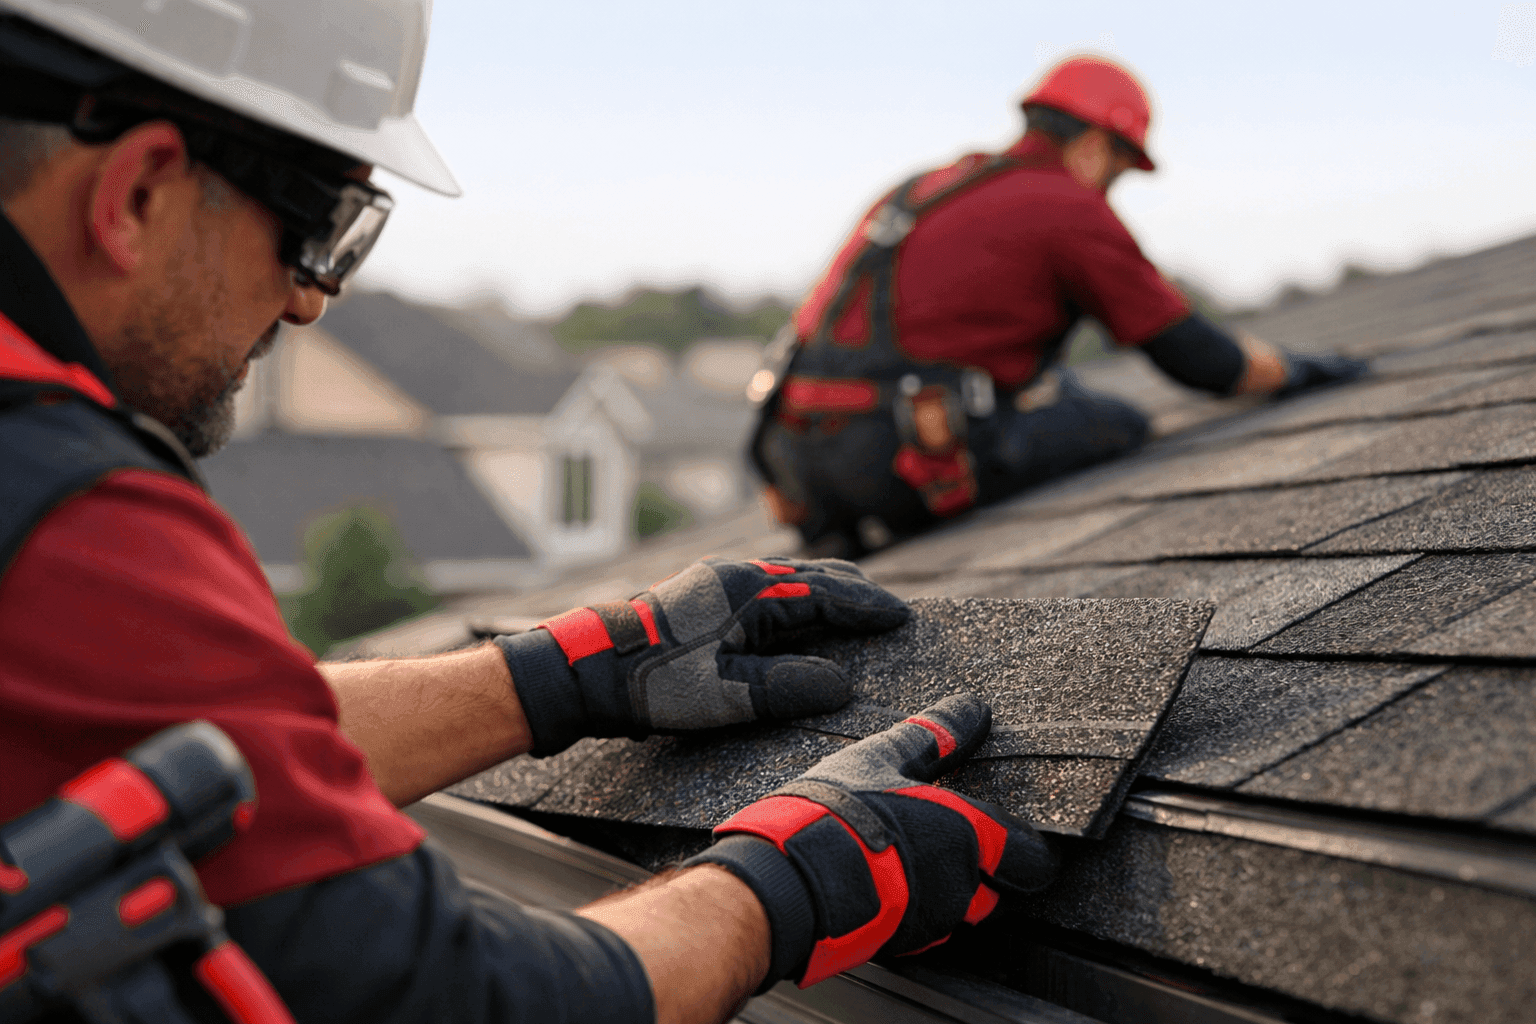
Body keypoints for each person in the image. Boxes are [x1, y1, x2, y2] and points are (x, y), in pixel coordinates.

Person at [0, 4, 1055, 1023]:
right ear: (138, 191)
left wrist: (559, 674)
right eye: (318, 225)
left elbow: (193, 737)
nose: (309, 299)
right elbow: (446, 1002)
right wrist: (784, 886)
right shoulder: (66, 515)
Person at [749, 55, 1368, 558]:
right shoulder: (1066, 206)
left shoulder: (926, 186)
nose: (1111, 189)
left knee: (1050, 385)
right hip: (893, 463)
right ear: (1096, 147)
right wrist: (1298, 370)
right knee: (1113, 419)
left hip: (794, 467)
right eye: (1119, 172)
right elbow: (1196, 359)